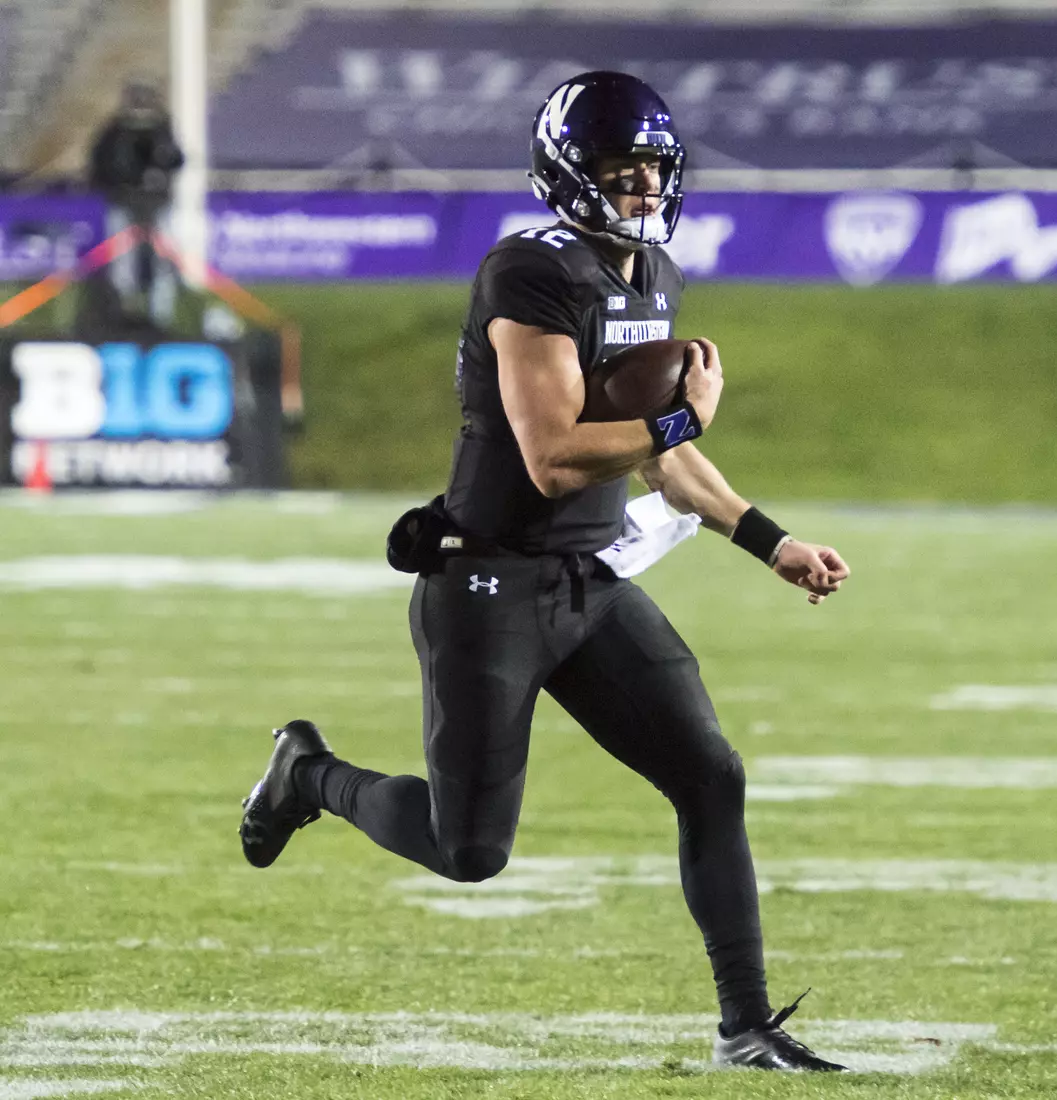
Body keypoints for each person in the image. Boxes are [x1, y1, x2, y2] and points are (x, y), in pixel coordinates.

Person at [239, 70, 851, 1072]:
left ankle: (745, 1023)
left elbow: (662, 453)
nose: (643, 188)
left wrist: (767, 538)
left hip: (588, 580)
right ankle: (309, 772)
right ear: (569, 174)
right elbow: (555, 455)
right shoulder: (528, 273)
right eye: (620, 170)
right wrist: (676, 416)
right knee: (468, 849)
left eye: (653, 168)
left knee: (709, 773)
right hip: (488, 585)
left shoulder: (652, 276)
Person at [88, 80, 184, 327]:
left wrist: (157, 170)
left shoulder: (162, 128)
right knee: (123, 262)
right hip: (125, 203)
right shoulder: (115, 131)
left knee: (162, 261)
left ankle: (160, 316)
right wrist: (123, 180)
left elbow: (175, 159)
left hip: (157, 205)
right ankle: (123, 311)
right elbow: (102, 165)